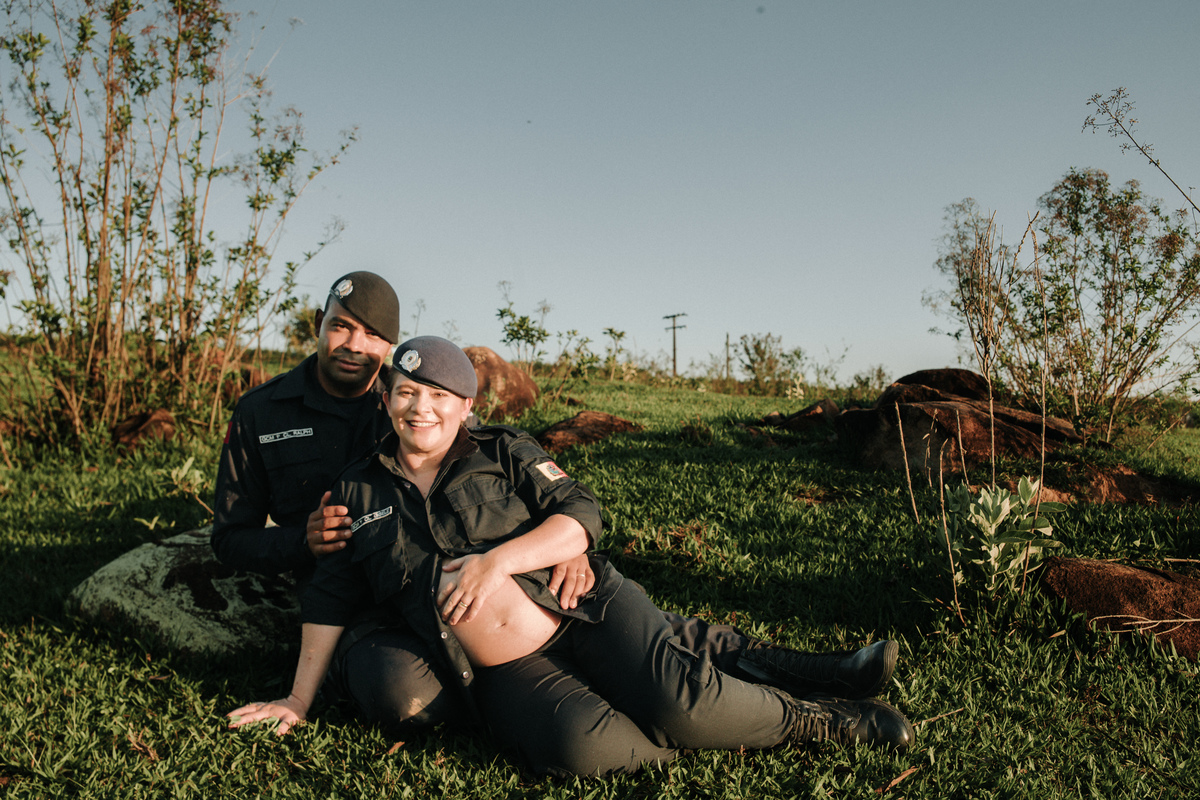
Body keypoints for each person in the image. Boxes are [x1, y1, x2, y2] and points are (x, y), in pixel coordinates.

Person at [228, 336, 914, 778]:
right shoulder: (356, 488)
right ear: (385, 399)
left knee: (682, 705)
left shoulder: (501, 450)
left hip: (582, 609)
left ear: (465, 405)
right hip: (504, 671)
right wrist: (298, 699)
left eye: (438, 396)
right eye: (406, 393)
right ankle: (692, 695)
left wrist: (497, 562)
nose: (420, 409)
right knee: (589, 752)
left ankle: (819, 717)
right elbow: (330, 596)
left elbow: (580, 513)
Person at [213, 273, 599, 733]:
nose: (355, 346)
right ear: (318, 324)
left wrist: (567, 541)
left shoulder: (411, 399)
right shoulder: (261, 412)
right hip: (348, 602)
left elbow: (494, 470)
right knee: (396, 696)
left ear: (390, 346)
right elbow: (229, 539)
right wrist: (302, 542)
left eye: (373, 335)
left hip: (438, 582)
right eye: (340, 326)